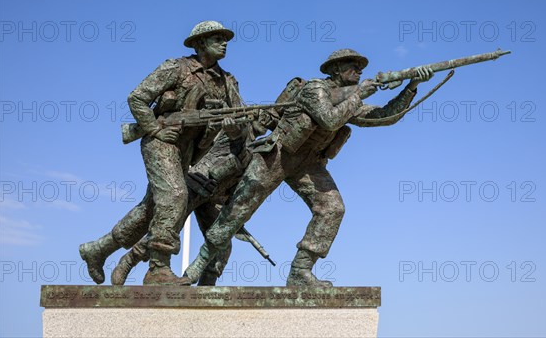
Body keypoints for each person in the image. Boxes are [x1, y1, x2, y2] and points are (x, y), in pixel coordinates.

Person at [180, 48, 434, 286]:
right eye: (352, 66)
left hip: (308, 163)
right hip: (277, 155)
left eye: (360, 67)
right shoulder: (315, 88)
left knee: (332, 208)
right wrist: (359, 95)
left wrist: (411, 87)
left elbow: (383, 117)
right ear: (335, 70)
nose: (359, 71)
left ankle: (301, 270)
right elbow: (330, 118)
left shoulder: (349, 99)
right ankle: (198, 266)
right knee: (238, 210)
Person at [80, 20, 250, 285]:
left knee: (150, 210)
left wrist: (234, 129)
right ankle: (158, 269)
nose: (224, 42)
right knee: (176, 196)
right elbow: (137, 97)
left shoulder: (227, 82)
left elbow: (241, 120)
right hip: (161, 142)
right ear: (199, 43)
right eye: (217, 38)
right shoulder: (176, 67)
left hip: (188, 150)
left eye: (224, 38)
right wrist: (155, 130)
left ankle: (98, 249)